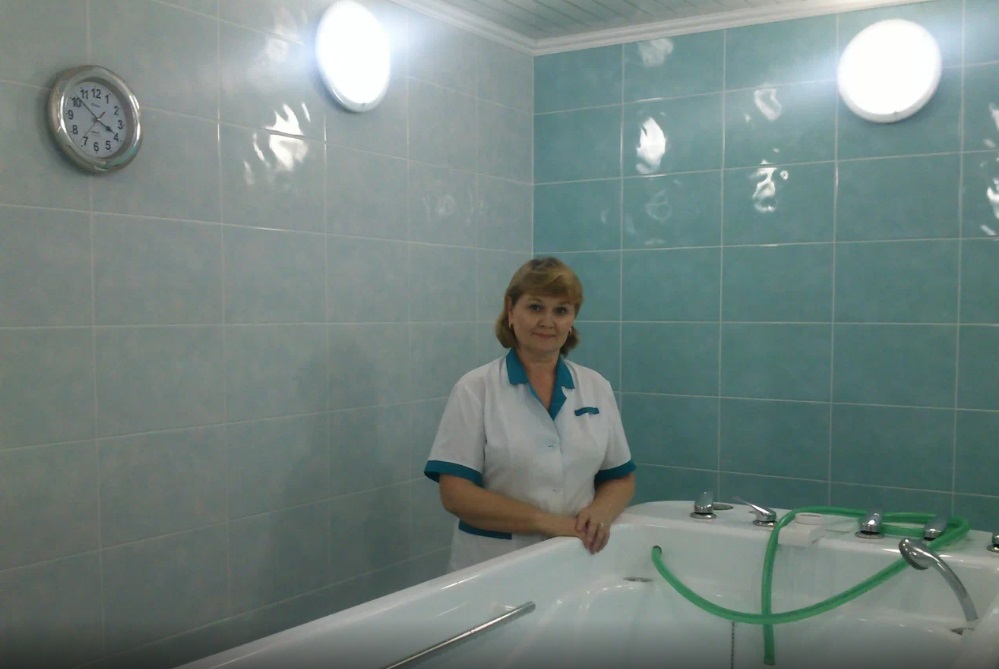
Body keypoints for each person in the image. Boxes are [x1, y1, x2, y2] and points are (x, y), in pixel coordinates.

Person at [424, 257, 636, 572]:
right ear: (511, 311)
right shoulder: (475, 388)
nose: (547, 322)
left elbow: (619, 477)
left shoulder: (596, 386)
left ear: (572, 319)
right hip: (494, 566)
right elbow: (456, 494)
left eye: (560, 310)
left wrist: (601, 513)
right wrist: (546, 522)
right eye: (535, 307)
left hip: (576, 559)